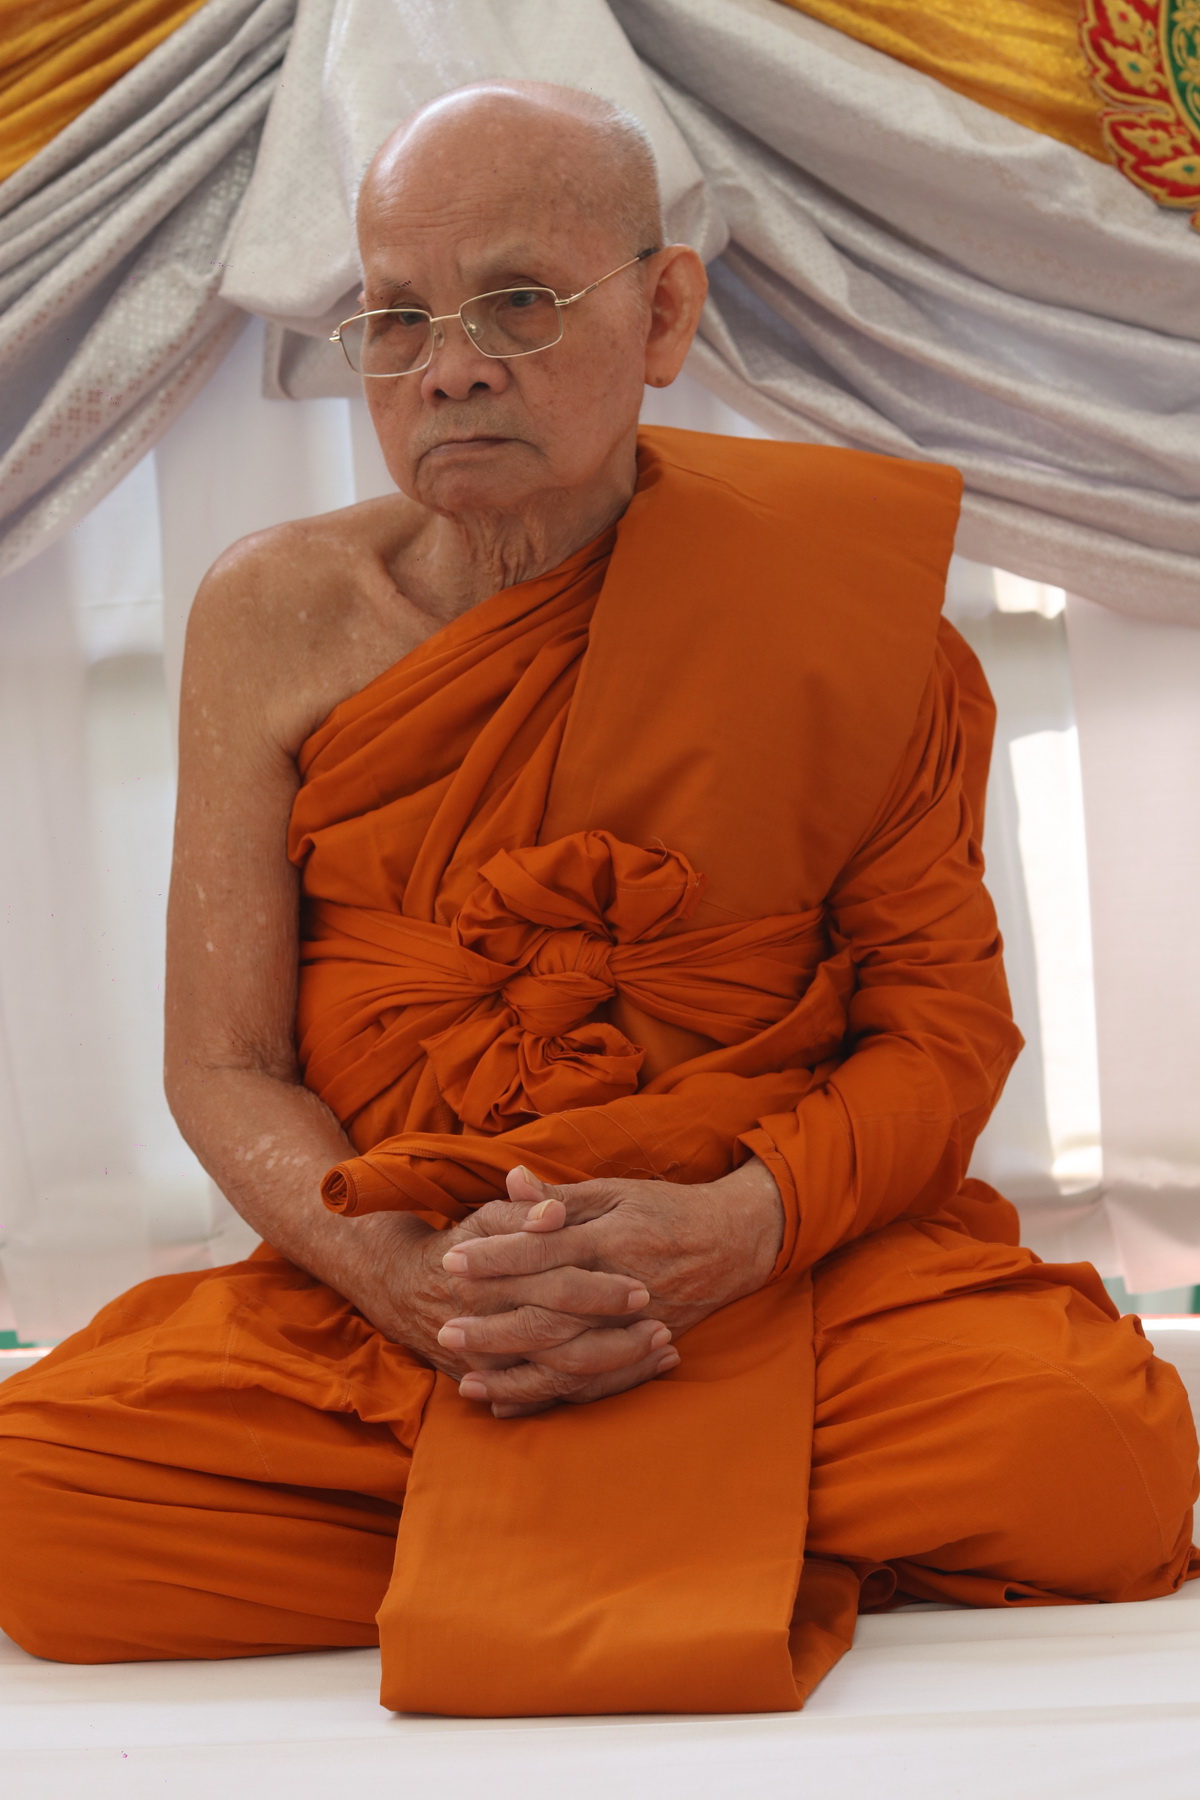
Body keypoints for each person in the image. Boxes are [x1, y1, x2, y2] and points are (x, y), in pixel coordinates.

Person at [0, 80, 1195, 1717]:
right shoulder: (275, 616)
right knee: (39, 1498)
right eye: (396, 318)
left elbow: (939, 1041)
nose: (450, 367)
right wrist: (411, 1281)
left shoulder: (845, 621)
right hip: (418, 1305)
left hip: (768, 1278)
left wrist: (740, 1228)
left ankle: (544, 1512)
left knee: (1097, 1453)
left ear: (665, 314)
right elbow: (223, 1065)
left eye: (518, 301)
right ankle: (692, 1510)